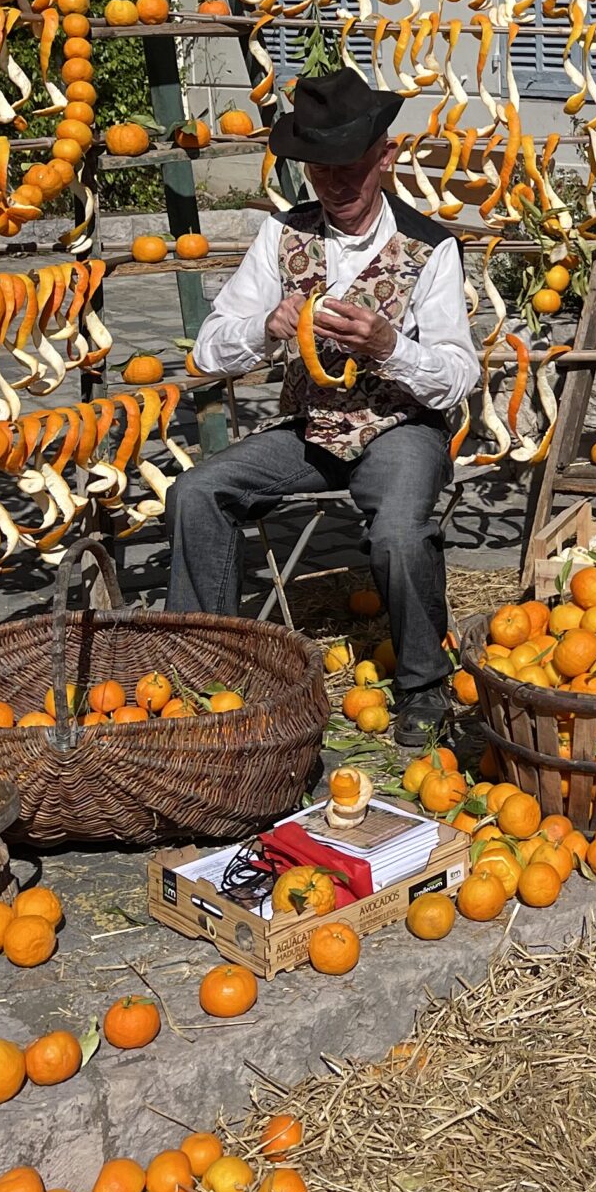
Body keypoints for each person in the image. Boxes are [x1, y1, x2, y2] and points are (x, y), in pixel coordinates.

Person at [170, 69, 478, 745]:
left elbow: (457, 377)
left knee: (398, 533)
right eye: (321, 171)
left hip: (400, 428)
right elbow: (210, 347)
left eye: (352, 168)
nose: (337, 185)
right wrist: (263, 328)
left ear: (386, 157)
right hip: (311, 430)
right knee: (198, 491)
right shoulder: (282, 235)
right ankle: (205, 676)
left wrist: (391, 346)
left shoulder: (431, 248)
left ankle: (424, 686)